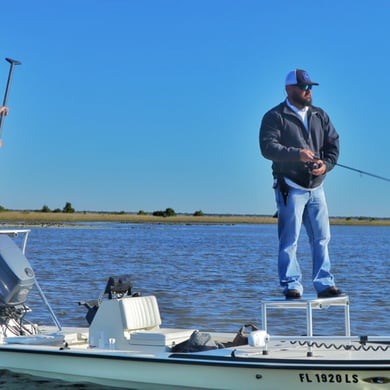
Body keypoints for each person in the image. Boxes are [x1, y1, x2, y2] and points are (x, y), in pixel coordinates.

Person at [259, 69, 344, 300]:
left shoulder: (320, 115)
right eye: (304, 87)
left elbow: (333, 147)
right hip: (290, 186)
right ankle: (291, 285)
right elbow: (268, 148)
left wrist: (325, 165)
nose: (308, 91)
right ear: (289, 89)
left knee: (322, 238)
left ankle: (325, 284)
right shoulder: (275, 116)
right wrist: (297, 154)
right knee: (289, 240)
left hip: (317, 187)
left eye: (310, 87)